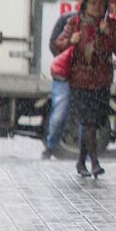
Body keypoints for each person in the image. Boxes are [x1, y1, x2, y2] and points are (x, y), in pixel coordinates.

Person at [55, 0, 116, 178]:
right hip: (80, 80)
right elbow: (58, 44)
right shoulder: (75, 23)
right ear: (85, 5)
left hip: (102, 81)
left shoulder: (110, 25)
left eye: (102, 4)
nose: (97, 7)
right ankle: (94, 162)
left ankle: (80, 162)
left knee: (94, 122)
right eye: (93, 3)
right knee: (89, 122)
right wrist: (71, 40)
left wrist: (109, 34)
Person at [42, 11, 78, 159]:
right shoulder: (68, 21)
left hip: (87, 78)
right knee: (58, 116)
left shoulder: (99, 25)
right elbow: (54, 46)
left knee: (86, 121)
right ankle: (51, 147)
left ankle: (87, 154)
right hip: (65, 76)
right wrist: (71, 42)